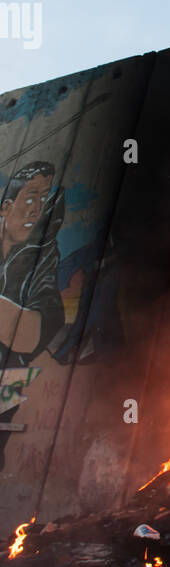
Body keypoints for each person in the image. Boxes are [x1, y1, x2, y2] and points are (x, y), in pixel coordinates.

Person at [0, 162, 65, 472]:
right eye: (31, 195)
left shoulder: (41, 264)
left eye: (44, 198)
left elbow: (31, 334)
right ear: (6, 207)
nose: (36, 208)